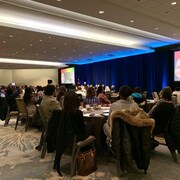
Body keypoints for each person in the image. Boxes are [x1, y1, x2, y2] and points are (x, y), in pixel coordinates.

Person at [53, 92, 88, 176]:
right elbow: (82, 130)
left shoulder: (61, 113)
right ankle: (94, 148)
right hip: (74, 139)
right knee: (91, 126)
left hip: (63, 139)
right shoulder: (78, 113)